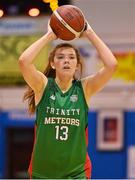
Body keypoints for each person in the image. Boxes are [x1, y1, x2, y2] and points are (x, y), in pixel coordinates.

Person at [18, 17, 117, 179]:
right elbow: (24, 61)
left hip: (76, 173)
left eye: (71, 57)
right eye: (61, 57)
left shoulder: (84, 89)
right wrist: (50, 35)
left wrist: (89, 33)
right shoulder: (43, 86)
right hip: (42, 172)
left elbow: (111, 65)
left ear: (77, 65)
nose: (66, 61)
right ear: (52, 63)